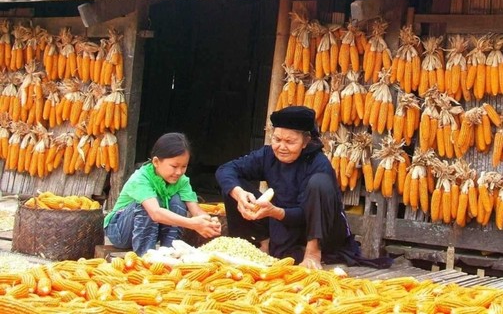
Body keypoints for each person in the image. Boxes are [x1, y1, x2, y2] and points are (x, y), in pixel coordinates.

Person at [216, 106, 392, 270]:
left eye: (289, 141)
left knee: (319, 183)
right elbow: (225, 169)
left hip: (318, 226)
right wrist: (239, 193)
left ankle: (313, 251)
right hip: (283, 222)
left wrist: (274, 212)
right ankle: (262, 244)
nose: (281, 147)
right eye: (277, 139)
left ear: (306, 141)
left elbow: (303, 214)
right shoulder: (267, 155)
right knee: (232, 184)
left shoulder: (318, 164)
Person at [104, 132, 221, 255]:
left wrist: (208, 221)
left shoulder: (182, 181)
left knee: (177, 200)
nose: (179, 172)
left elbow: (196, 211)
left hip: (151, 229)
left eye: (184, 166)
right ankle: (145, 255)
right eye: (174, 166)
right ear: (156, 162)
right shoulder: (140, 178)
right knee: (146, 205)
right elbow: (155, 213)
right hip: (120, 232)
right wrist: (192, 223)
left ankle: (170, 251)